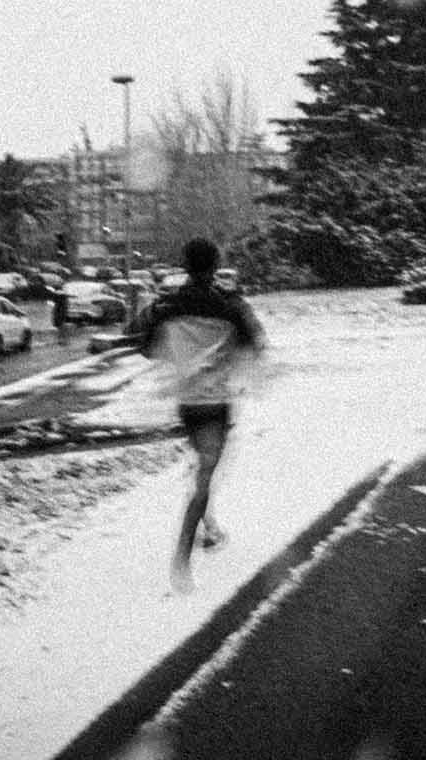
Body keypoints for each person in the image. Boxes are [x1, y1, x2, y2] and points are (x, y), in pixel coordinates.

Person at [139, 238, 266, 594]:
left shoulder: (167, 306)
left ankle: (209, 527)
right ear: (214, 265)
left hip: (186, 404)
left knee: (203, 465)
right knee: (206, 475)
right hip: (216, 401)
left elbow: (147, 348)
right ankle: (182, 557)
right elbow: (255, 343)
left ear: (184, 265)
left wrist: (180, 349)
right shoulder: (230, 306)